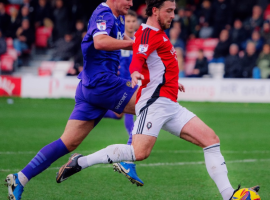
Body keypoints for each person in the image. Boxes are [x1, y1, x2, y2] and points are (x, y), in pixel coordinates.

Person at [56, 0, 260, 199]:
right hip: (154, 102)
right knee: (139, 152)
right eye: (169, 11)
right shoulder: (146, 34)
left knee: (211, 140)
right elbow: (138, 58)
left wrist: (172, 81)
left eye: (173, 11)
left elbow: (160, 64)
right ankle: (81, 162)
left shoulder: (159, 34)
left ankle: (230, 195)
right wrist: (134, 72)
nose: (173, 15)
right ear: (155, 10)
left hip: (169, 102)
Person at [5, 1, 142, 199]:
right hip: (102, 83)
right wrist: (135, 44)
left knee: (67, 142)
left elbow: (122, 37)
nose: (131, 2)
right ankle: (128, 159)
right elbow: (100, 42)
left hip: (89, 86)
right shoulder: (104, 13)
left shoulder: (117, 16)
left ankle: (20, 178)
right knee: (151, 105)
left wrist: (138, 43)